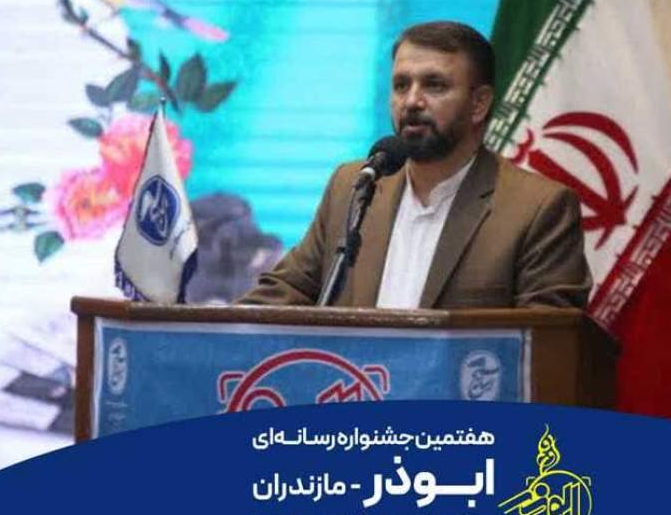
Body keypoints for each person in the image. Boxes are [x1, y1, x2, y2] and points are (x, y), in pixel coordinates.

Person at [238, 21, 591, 309]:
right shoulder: (354, 186)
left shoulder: (537, 208)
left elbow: (546, 344)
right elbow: (287, 291)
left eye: (434, 85)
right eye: (401, 85)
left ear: (479, 104)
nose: (411, 101)